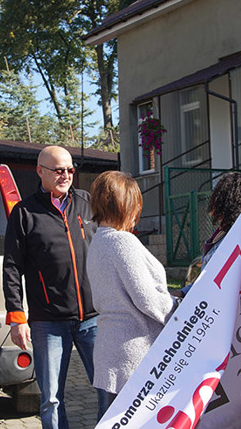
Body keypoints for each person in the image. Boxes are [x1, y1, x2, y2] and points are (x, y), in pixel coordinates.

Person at [2, 145, 106, 428]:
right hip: (48, 322)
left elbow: (110, 244)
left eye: (70, 169)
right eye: (59, 170)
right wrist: (17, 317)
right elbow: (12, 268)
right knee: (51, 398)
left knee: (107, 389)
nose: (66, 175)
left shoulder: (88, 203)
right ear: (40, 171)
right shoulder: (24, 213)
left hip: (93, 318)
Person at [86, 171, 179, 411]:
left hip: (110, 347)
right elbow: (146, 298)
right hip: (135, 351)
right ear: (127, 205)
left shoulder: (98, 241)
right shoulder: (122, 242)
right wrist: (179, 311)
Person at [181, 172, 241, 296]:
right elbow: (205, 283)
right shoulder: (223, 236)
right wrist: (183, 293)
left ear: (226, 203)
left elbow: (214, 287)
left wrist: (184, 295)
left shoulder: (237, 244)